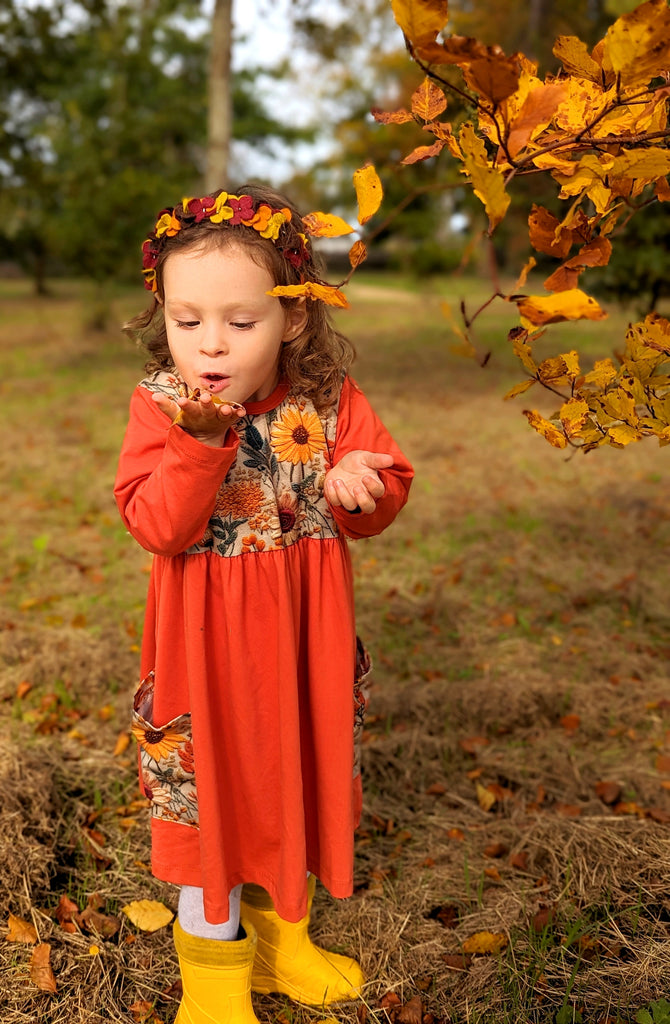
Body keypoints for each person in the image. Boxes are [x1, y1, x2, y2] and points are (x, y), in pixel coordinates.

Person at [114, 183, 413, 1024]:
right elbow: (156, 525)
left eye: (241, 323)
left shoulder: (328, 401)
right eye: (187, 320)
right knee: (212, 800)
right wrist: (200, 446)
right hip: (204, 656)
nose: (210, 345)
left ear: (294, 319)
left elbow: (384, 488)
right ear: (163, 316)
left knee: (296, 782)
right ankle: (213, 986)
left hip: (301, 648)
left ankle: (286, 946)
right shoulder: (163, 406)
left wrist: (363, 488)